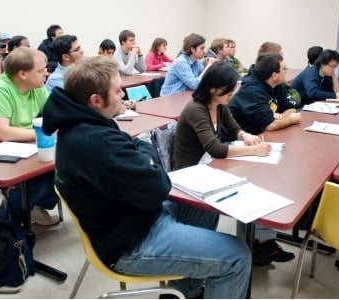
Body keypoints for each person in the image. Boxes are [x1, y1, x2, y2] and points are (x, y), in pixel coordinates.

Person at [42, 55, 251, 298]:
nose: (123, 95)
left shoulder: (86, 124)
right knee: (238, 257)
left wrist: (142, 152)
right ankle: (200, 280)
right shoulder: (94, 142)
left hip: (136, 216)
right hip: (132, 243)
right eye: (118, 90)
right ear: (96, 100)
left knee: (208, 203)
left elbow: (141, 156)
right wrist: (144, 151)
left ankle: (187, 290)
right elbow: (158, 184)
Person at [0, 47, 60, 226]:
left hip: (23, 144)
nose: (46, 74)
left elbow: (54, 114)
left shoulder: (37, 87)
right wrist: (43, 132)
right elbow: (1, 133)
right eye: (40, 71)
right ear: (23, 74)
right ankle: (6, 225)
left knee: (65, 166)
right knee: (39, 176)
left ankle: (35, 205)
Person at [225, 52, 299, 265]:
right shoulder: (253, 89)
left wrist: (286, 117)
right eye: (284, 69)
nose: (287, 71)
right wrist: (289, 119)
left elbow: (289, 109)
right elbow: (271, 124)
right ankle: (253, 246)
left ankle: (265, 242)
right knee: (258, 190)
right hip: (238, 147)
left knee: (273, 183)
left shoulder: (277, 85)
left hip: (260, 142)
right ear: (274, 74)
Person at [174, 61, 271, 169]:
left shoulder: (219, 103)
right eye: (227, 89)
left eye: (233, 89)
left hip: (209, 162)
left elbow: (234, 129)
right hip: (190, 169)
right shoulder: (196, 110)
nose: (231, 94)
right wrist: (254, 150)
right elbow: (215, 149)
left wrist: (245, 136)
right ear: (212, 88)